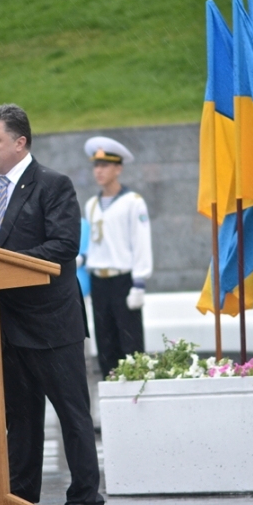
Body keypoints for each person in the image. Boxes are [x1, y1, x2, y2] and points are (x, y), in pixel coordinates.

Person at [0, 104, 104, 505]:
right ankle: (21, 498)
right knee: (20, 419)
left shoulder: (52, 185)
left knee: (72, 415)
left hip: (50, 324)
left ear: (20, 142)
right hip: (1, 326)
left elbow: (63, 247)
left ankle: (84, 499)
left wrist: (0, 263)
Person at [82, 137, 153, 378]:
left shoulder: (133, 203)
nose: (99, 171)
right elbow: (94, 241)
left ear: (118, 168)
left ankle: (136, 397)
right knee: (105, 345)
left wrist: (139, 283)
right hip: (100, 282)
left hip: (123, 281)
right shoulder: (91, 204)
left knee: (130, 345)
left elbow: (141, 243)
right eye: (96, 166)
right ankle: (110, 397)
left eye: (105, 165)